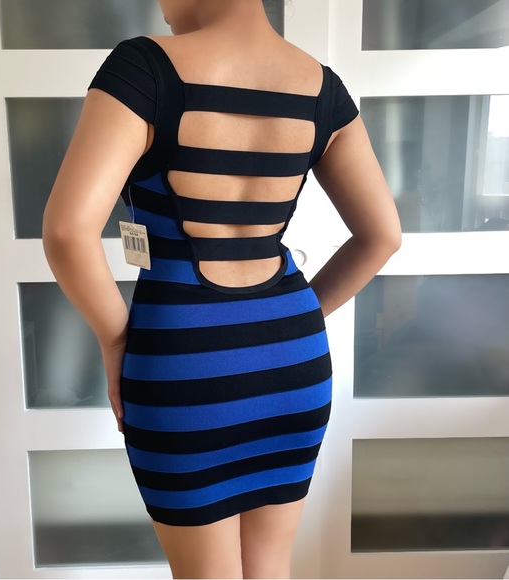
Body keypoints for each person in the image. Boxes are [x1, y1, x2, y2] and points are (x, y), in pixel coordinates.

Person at [42, 0, 402, 577]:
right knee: (269, 567)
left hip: (183, 362)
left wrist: (116, 341)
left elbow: (67, 231)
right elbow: (382, 236)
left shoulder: (144, 69)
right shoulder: (322, 88)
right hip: (294, 365)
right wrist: (298, 317)